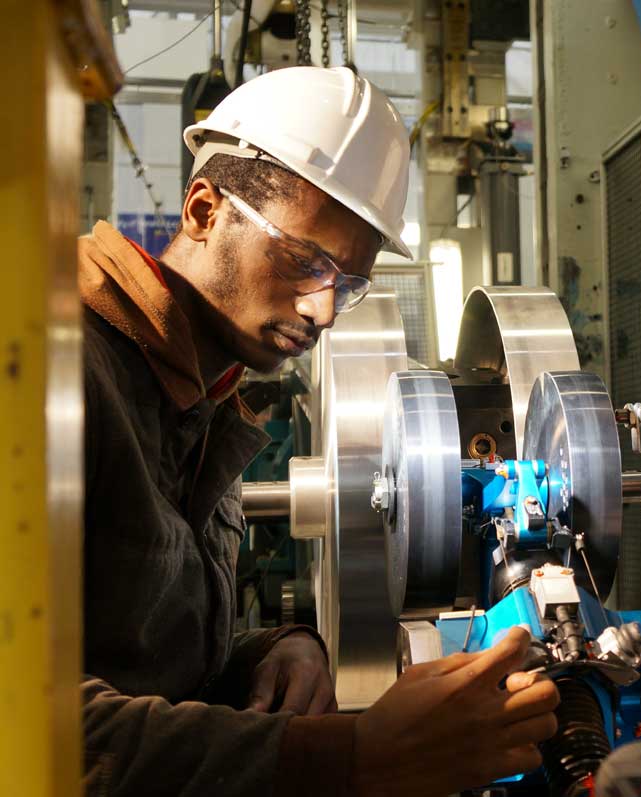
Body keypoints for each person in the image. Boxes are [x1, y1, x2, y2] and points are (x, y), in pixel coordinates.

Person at [80, 66, 557, 796]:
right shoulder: (56, 373)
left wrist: (278, 649)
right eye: (307, 261)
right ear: (204, 210)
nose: (325, 310)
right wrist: (349, 755)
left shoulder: (201, 400)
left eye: (349, 282)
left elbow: (145, 661)